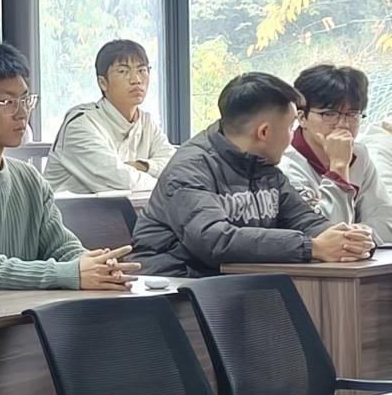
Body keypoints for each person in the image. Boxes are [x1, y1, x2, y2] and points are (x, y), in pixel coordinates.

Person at [0, 36, 137, 292]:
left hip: (29, 310)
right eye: (7, 102)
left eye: (25, 99)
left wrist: (94, 265)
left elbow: (61, 246)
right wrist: (69, 273)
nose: (22, 113)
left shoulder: (29, 178)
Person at [133, 72, 375, 277]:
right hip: (174, 287)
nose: (292, 136)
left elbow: (304, 220)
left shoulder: (263, 166)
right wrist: (311, 247)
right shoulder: (189, 169)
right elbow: (213, 240)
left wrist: (346, 239)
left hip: (235, 284)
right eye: (290, 127)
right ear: (264, 132)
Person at [45, 39, 175, 194]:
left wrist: (142, 166)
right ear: (103, 82)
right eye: (123, 71)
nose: (136, 80)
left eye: (142, 70)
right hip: (69, 209)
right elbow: (122, 182)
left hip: (128, 208)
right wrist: (168, 185)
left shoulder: (146, 122)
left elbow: (176, 166)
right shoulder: (81, 124)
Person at [280, 65, 392, 243]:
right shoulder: (284, 164)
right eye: (329, 114)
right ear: (301, 118)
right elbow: (324, 235)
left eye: (352, 114)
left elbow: (386, 222)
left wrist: (356, 236)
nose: (343, 124)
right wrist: (338, 167)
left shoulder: (359, 153)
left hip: (359, 257)